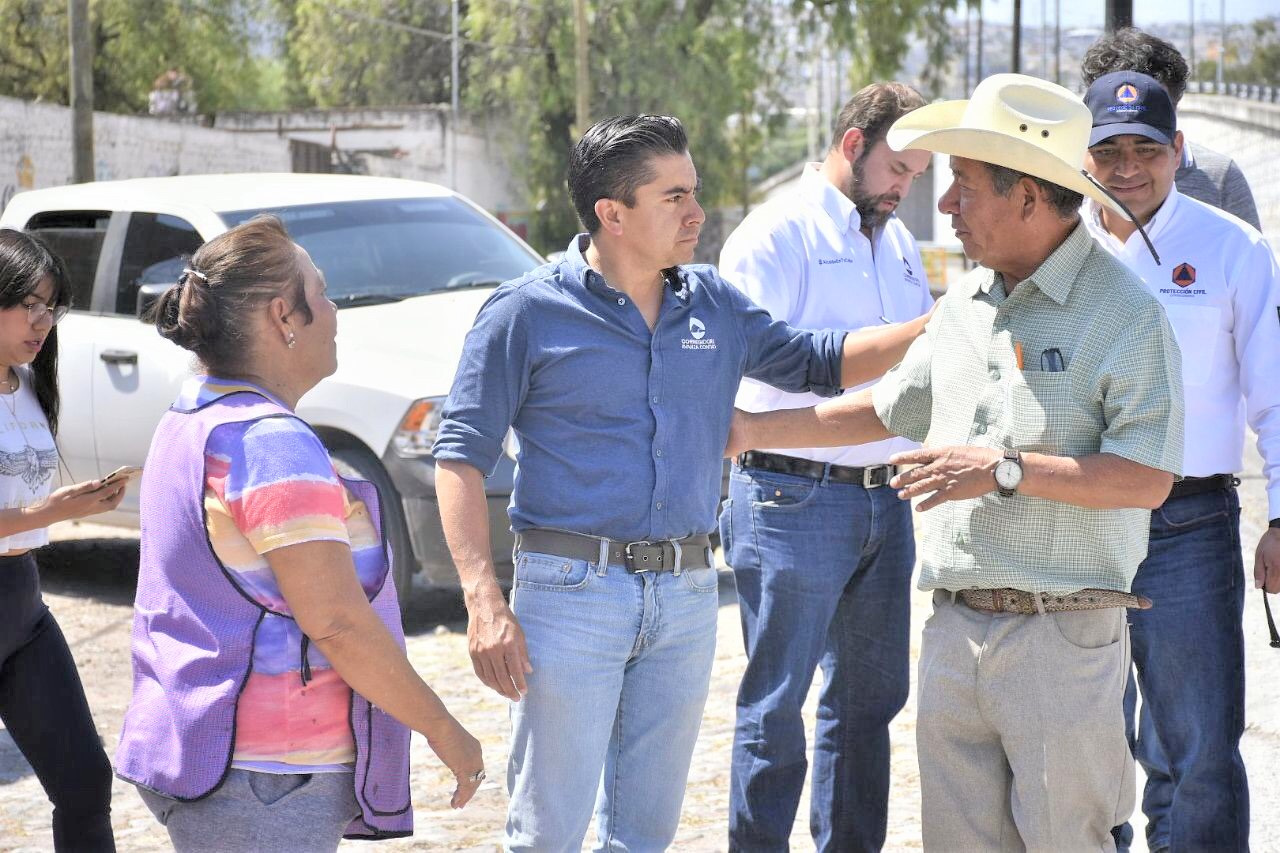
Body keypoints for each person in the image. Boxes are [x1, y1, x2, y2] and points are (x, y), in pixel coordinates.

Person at [432, 114, 931, 851]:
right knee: (547, 831)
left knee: (645, 834)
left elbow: (817, 360)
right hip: (570, 595)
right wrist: (482, 597)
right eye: (674, 197)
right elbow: (459, 456)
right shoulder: (525, 313)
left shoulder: (713, 302)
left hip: (687, 594)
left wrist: (941, 327)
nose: (697, 213)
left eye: (694, 192)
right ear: (612, 213)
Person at [725, 74, 1185, 851]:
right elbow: (886, 407)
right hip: (954, 636)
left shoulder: (1128, 314)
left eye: (964, 188)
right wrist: (750, 430)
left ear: (1030, 199)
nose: (942, 207)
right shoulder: (968, 298)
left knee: (1067, 838)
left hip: (1063, 640)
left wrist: (1004, 468)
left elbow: (1146, 476)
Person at [115, 215, 483, 852]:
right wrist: (446, 731)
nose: (336, 308)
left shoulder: (196, 410)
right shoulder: (270, 442)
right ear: (284, 317)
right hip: (265, 774)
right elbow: (337, 623)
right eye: (324, 291)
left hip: (199, 741)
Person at [717, 81, 931, 852]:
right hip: (789, 498)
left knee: (869, 704)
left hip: (885, 500)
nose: (907, 188)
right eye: (899, 169)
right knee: (776, 706)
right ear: (852, 145)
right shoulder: (774, 236)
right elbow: (741, 372)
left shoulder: (897, 241)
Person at [1082, 71, 1280, 853]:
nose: (1128, 165)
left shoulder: (1234, 250)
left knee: (1192, 751)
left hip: (1188, 524)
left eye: (1147, 148)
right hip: (1077, 521)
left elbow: (1275, 392)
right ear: (1084, 155)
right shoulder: (1057, 248)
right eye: (1109, 149)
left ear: (1179, 150)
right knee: (1082, 741)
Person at [0, 228, 125, 852]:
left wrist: (80, 502)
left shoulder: (27, 382)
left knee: (84, 780)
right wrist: (47, 509)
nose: (43, 321)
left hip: (22, 607)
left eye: (53, 306)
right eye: (30, 303)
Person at [1081, 27, 1260, 230]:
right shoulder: (1063, 180)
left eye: (1154, 104)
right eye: (1106, 151)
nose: (1127, 169)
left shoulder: (1220, 175)